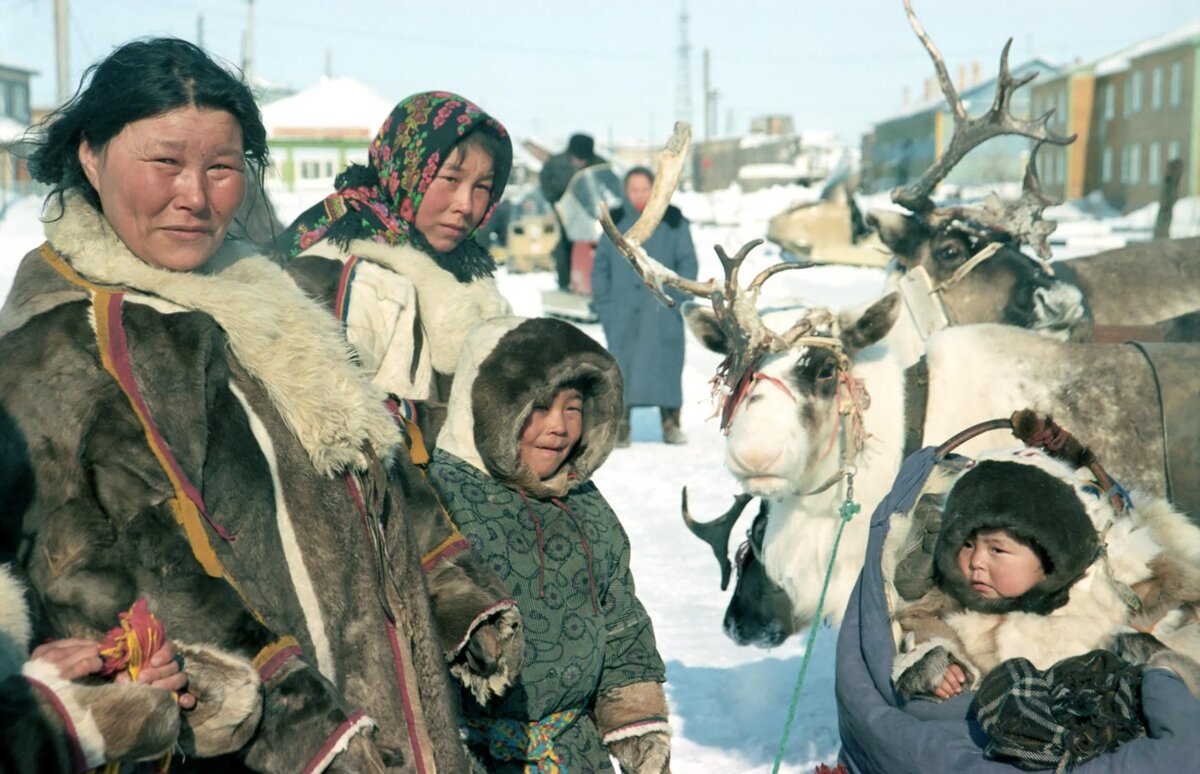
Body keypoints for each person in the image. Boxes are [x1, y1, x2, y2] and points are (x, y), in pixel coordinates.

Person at [1, 39, 521, 771]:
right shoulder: (65, 340)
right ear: (91, 157)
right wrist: (304, 723)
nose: (195, 195)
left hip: (392, 709)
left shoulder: (265, 297)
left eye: (221, 168)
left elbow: (368, 457)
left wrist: (448, 581)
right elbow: (103, 576)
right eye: (164, 163)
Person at [426, 316, 672, 772]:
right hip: (469, 755)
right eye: (537, 406)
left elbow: (620, 617)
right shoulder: (435, 501)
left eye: (573, 408)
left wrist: (639, 725)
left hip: (575, 752)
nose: (559, 427)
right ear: (491, 405)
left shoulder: (585, 504)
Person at [886, 449, 1200, 762]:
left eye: (997, 549)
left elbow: (1165, 613)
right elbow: (922, 623)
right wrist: (938, 663)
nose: (977, 562)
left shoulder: (1104, 587)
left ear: (1047, 554)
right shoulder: (961, 606)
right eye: (967, 545)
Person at [280, 91, 514, 448]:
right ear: (406, 171)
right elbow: (325, 427)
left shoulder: (470, 278)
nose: (465, 205)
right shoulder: (348, 279)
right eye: (450, 179)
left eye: (482, 187)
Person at [592, 166, 699, 446]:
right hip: (623, 313)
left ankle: (670, 423)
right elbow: (600, 267)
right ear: (625, 192)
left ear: (655, 191)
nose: (640, 195)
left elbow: (688, 263)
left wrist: (678, 301)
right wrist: (605, 306)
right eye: (634, 189)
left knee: (667, 368)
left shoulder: (674, 221)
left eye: (645, 189)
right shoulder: (612, 223)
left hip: (663, 312)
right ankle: (622, 426)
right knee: (622, 369)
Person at [539, 132, 605, 291]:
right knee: (564, 244)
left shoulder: (599, 163)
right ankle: (565, 282)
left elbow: (608, 182)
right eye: (578, 160)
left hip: (591, 214)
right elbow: (545, 184)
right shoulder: (554, 164)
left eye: (585, 160)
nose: (581, 163)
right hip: (565, 212)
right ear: (570, 154)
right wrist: (553, 200)